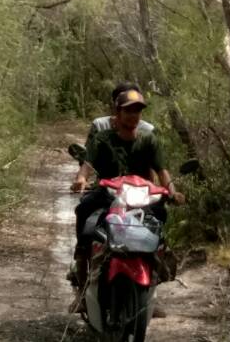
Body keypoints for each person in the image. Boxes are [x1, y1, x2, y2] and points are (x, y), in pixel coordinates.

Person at [69, 82, 180, 295]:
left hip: (141, 195)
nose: (133, 115)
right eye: (128, 110)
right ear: (117, 112)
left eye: (137, 111)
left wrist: (172, 191)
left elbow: (162, 171)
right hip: (108, 193)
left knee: (161, 214)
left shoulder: (149, 139)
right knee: (83, 209)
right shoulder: (102, 138)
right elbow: (87, 165)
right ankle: (82, 266)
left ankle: (158, 259)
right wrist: (81, 179)